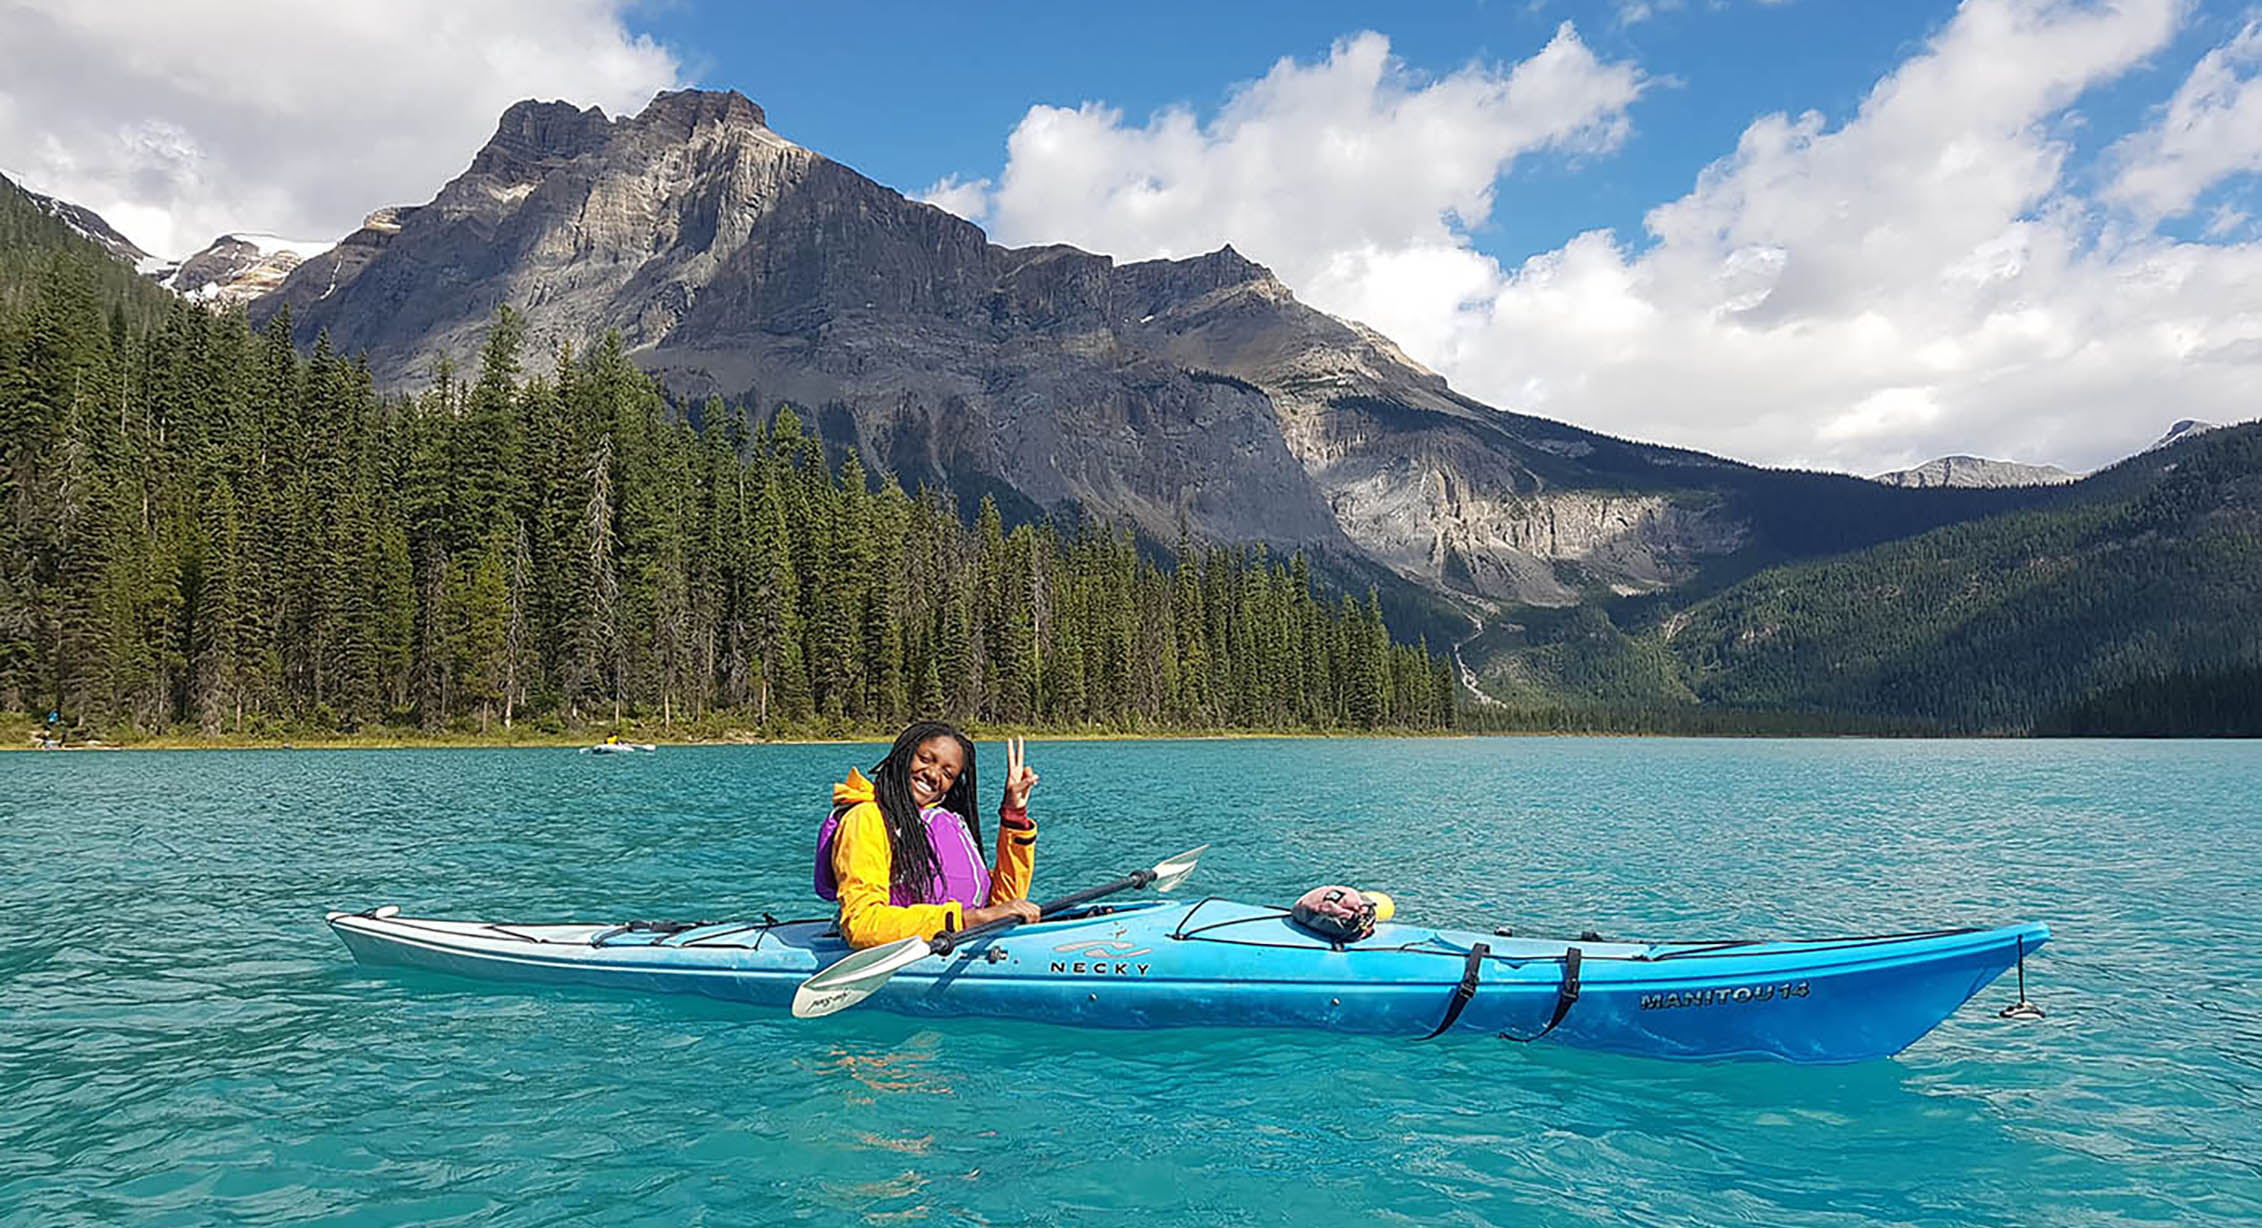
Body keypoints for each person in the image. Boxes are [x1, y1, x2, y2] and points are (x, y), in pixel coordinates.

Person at [816, 722, 1041, 948]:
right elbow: (862, 924)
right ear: (904, 755)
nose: (933, 774)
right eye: (925, 759)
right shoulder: (866, 818)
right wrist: (970, 919)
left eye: (948, 773)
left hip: (955, 940)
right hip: (896, 951)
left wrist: (1014, 815)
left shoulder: (943, 821)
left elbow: (1002, 905)